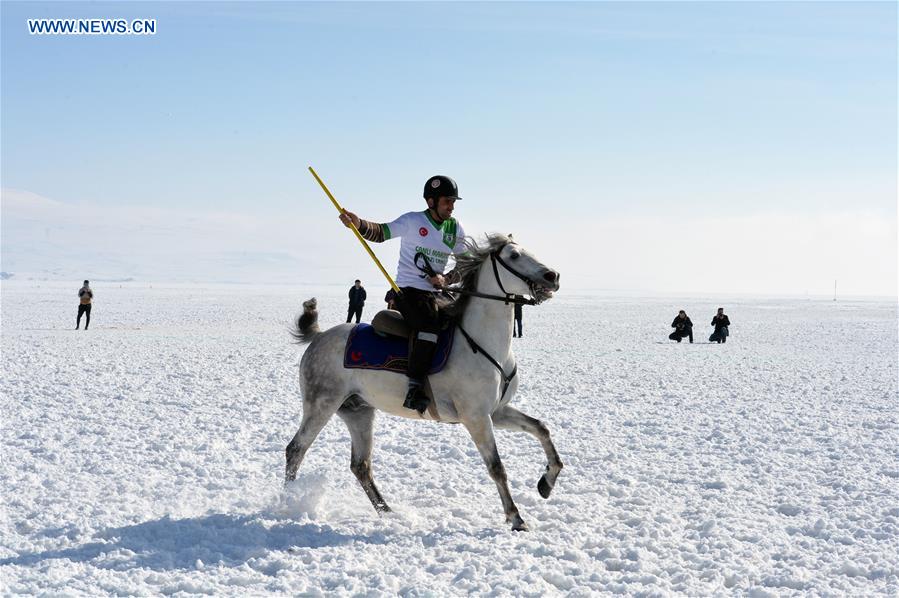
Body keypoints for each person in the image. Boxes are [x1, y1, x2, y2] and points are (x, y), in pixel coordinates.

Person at [339, 175, 466, 414]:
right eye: (447, 201)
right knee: (428, 327)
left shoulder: (455, 228)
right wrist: (358, 223)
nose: (451, 206)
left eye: (453, 202)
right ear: (431, 201)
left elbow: (466, 263)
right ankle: (415, 385)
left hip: (437, 292)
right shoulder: (412, 221)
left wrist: (446, 279)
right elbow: (381, 232)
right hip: (409, 291)